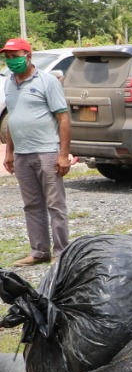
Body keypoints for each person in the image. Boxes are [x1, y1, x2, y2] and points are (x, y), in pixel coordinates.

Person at [1, 37, 71, 267]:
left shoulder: (47, 81)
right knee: (32, 205)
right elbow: (13, 118)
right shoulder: (9, 83)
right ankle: (39, 252)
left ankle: (61, 253)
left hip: (47, 152)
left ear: (28, 56)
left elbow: (63, 118)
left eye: (15, 56)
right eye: (8, 57)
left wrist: (63, 154)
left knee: (55, 205)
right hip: (22, 154)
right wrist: (9, 152)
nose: (11, 61)